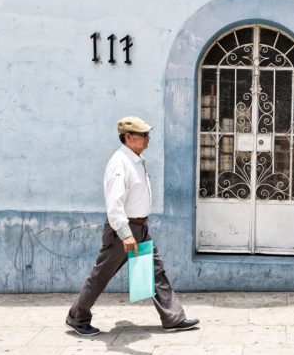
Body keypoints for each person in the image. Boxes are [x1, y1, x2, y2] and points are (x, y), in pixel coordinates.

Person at [66, 116, 199, 336]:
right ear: (128, 137)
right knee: (101, 276)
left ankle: (173, 317)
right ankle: (77, 317)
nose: (148, 139)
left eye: (148, 134)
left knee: (156, 272)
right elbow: (114, 203)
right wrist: (126, 234)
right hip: (123, 231)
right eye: (144, 135)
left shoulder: (135, 160)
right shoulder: (120, 163)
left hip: (140, 229)